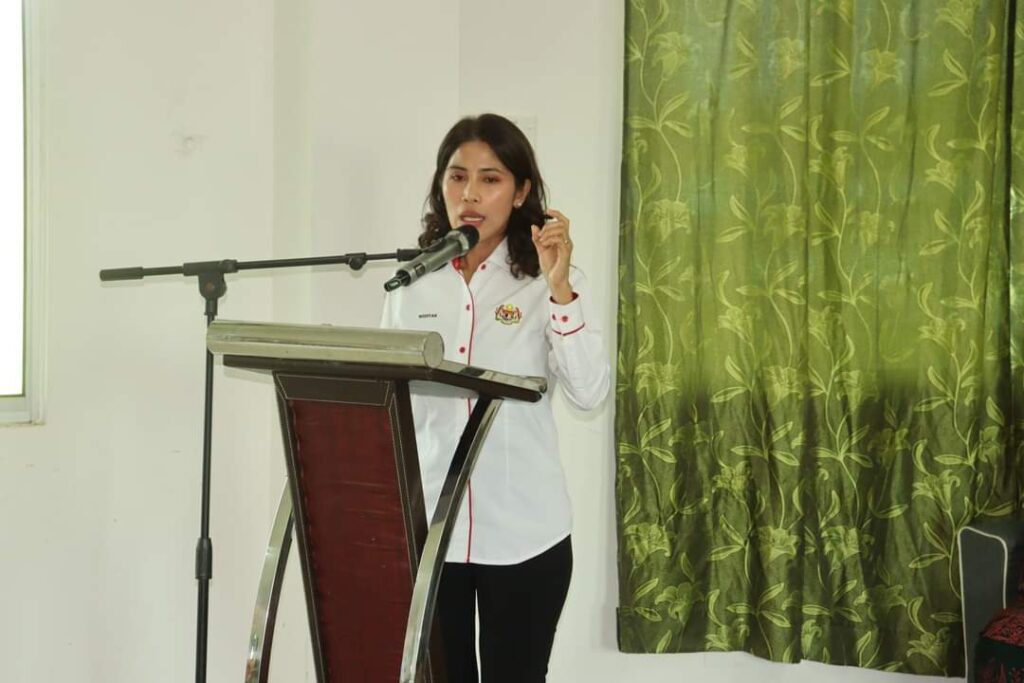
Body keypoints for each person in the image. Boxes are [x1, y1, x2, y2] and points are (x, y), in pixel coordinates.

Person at [380, 113, 609, 682]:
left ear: (522, 191)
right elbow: (391, 405)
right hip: (431, 535)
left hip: (525, 532)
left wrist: (560, 290)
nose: (470, 195)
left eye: (490, 179)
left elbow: (590, 394)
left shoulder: (546, 281)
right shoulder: (412, 283)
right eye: (457, 177)